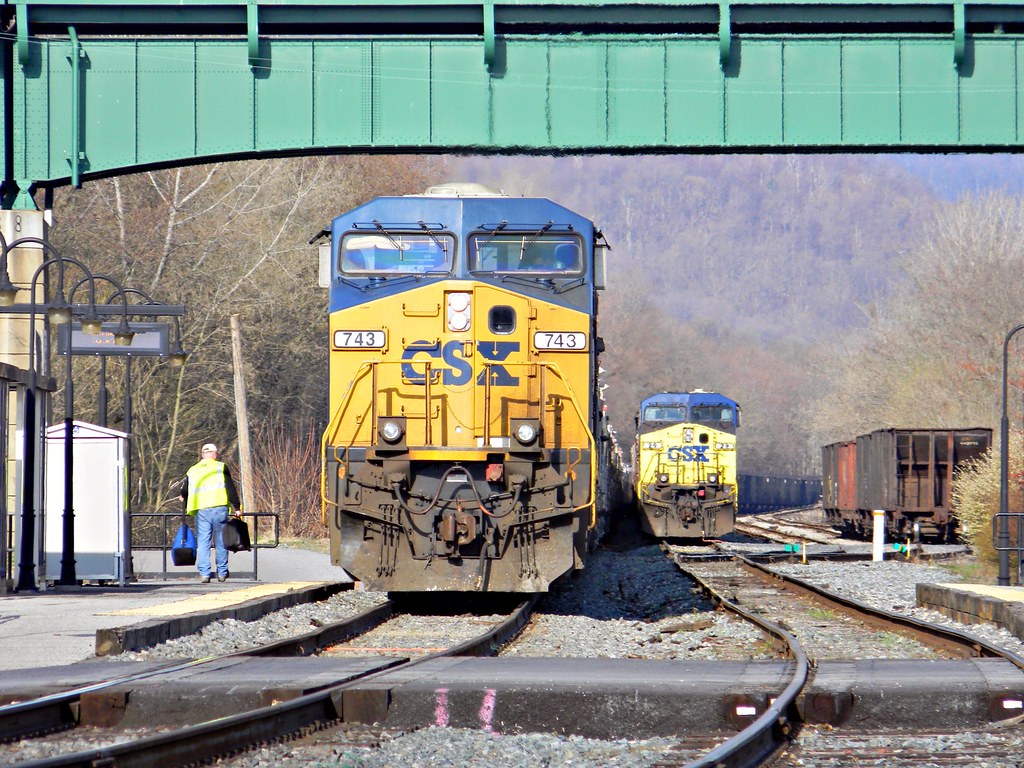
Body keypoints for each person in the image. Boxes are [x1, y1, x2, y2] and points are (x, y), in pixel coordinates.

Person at [179, 443, 242, 583]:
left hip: (202, 510)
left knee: (203, 542)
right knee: (220, 542)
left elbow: (184, 490)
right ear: (214, 454)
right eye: (216, 453)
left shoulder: (193, 470)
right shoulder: (220, 467)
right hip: (219, 508)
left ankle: (205, 573)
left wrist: (183, 497)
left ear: (202, 455)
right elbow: (230, 487)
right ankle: (222, 572)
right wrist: (237, 507)